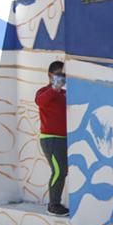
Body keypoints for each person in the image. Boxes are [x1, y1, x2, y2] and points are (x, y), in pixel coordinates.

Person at [35, 61, 68, 216]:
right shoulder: (44, 92)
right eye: (59, 74)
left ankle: (56, 204)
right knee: (58, 171)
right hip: (51, 139)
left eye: (64, 74)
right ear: (50, 75)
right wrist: (54, 88)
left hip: (64, 138)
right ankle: (53, 205)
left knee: (63, 171)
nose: (62, 77)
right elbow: (40, 102)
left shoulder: (65, 94)